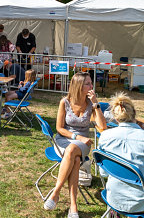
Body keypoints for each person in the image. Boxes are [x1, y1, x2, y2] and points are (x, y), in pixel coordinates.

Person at [43, 72, 107, 217]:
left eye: (91, 83)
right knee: (75, 159)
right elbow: (59, 128)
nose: (92, 86)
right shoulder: (65, 102)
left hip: (82, 144)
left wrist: (96, 104)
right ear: (78, 86)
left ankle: (56, 192)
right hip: (63, 140)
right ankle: (73, 205)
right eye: (88, 84)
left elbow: (102, 126)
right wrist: (77, 136)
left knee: (72, 150)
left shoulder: (91, 104)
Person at [98, 93, 144, 217]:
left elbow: (103, 173)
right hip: (142, 203)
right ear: (135, 114)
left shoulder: (104, 137)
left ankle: (113, 213)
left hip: (113, 199)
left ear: (116, 118)